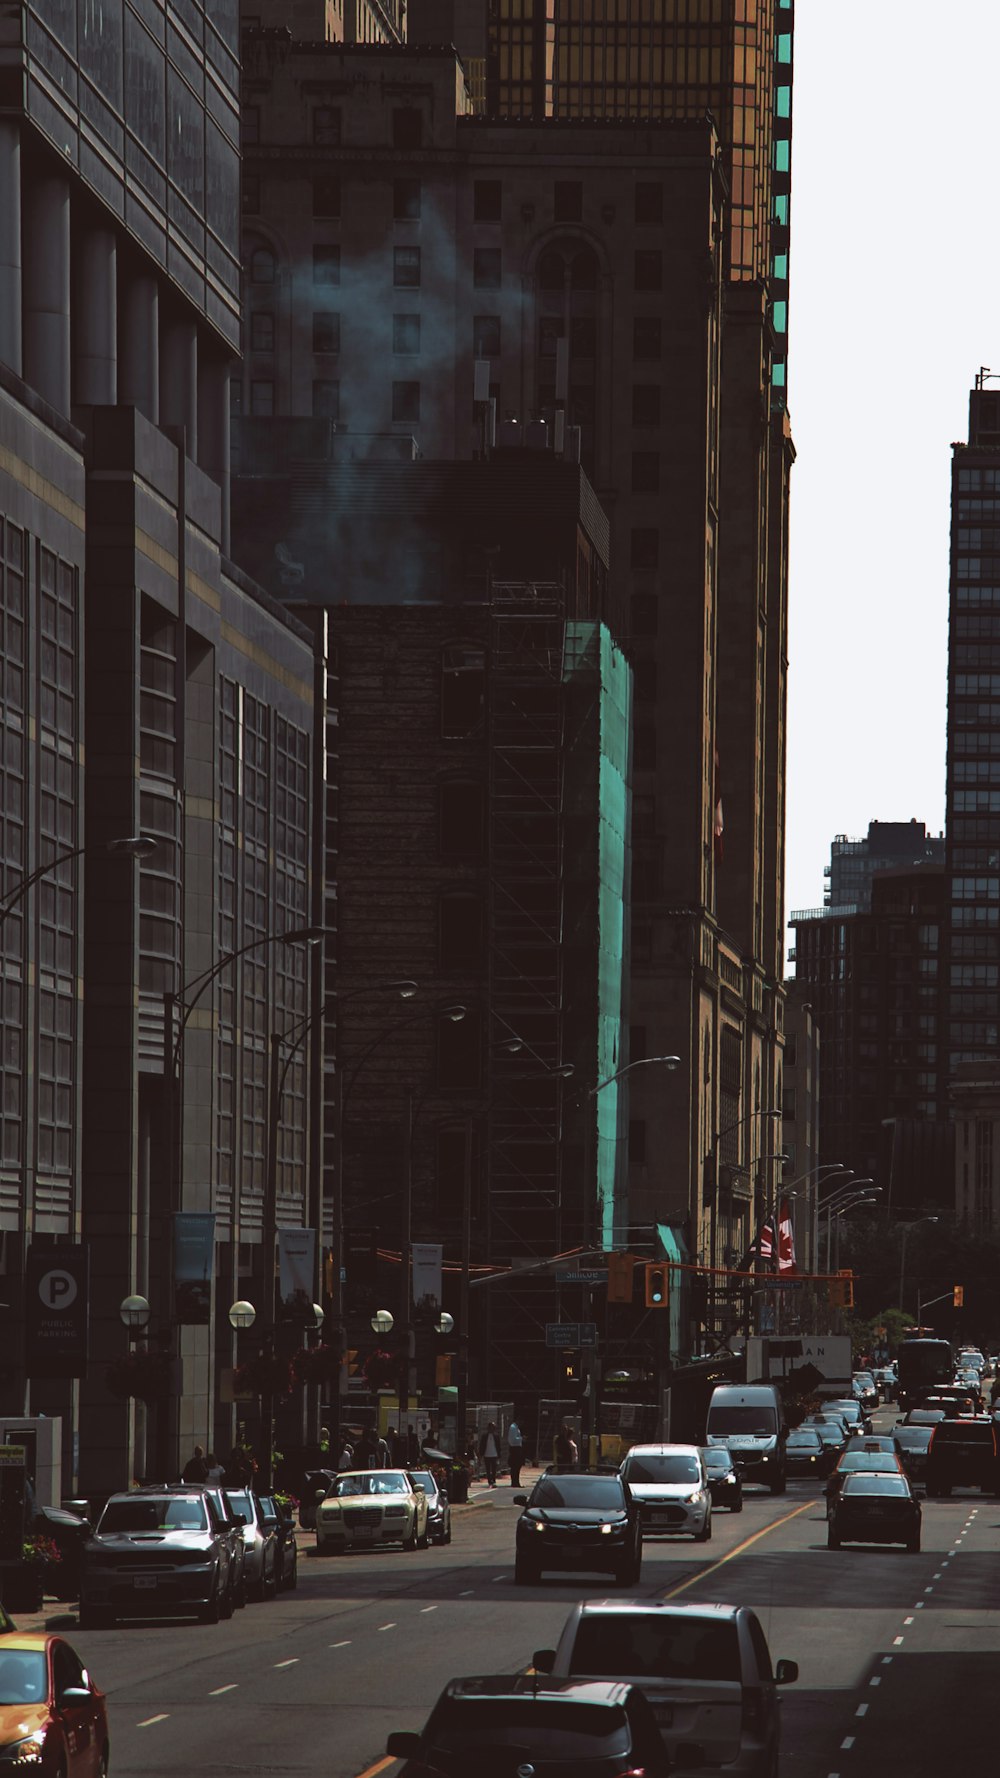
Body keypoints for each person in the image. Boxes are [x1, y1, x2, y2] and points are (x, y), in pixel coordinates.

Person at [479, 1420, 501, 1487]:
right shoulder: (484, 1436)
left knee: (494, 1469)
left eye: (493, 1427)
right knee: (488, 1469)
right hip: (487, 1454)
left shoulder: (496, 1436)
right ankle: (489, 1481)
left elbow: (498, 1446)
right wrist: (481, 1454)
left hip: (494, 1454)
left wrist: (499, 1455)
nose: (492, 1429)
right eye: (491, 1427)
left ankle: (493, 1480)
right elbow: (482, 1445)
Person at [507, 1415, 525, 1487]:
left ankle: (516, 1482)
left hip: (517, 1448)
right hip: (515, 1448)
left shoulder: (516, 1428)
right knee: (515, 1466)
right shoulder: (513, 1428)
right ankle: (514, 1482)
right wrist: (521, 1438)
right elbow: (512, 1440)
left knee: (517, 1466)